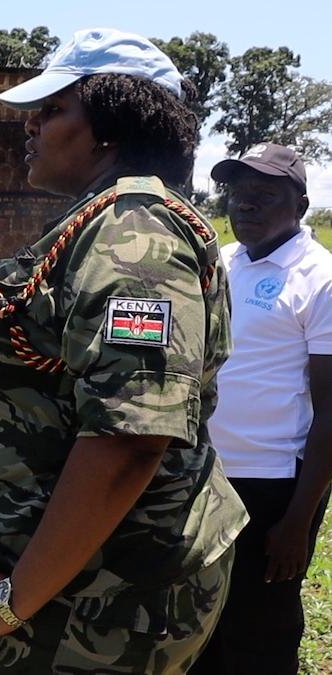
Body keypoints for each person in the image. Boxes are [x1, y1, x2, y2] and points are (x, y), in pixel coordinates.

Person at [0, 29, 248, 673]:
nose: (31, 127)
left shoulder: (135, 237)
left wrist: (15, 601)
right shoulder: (100, 223)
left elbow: (131, 437)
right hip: (63, 586)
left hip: (84, 608)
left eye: (52, 110)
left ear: (108, 127)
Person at [190, 144, 332, 675]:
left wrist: (298, 519)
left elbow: (331, 410)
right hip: (203, 475)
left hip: (271, 485)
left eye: (264, 195)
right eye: (237, 195)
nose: (245, 206)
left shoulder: (319, 278)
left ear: (299, 201)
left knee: (260, 629)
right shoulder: (221, 263)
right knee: (199, 621)